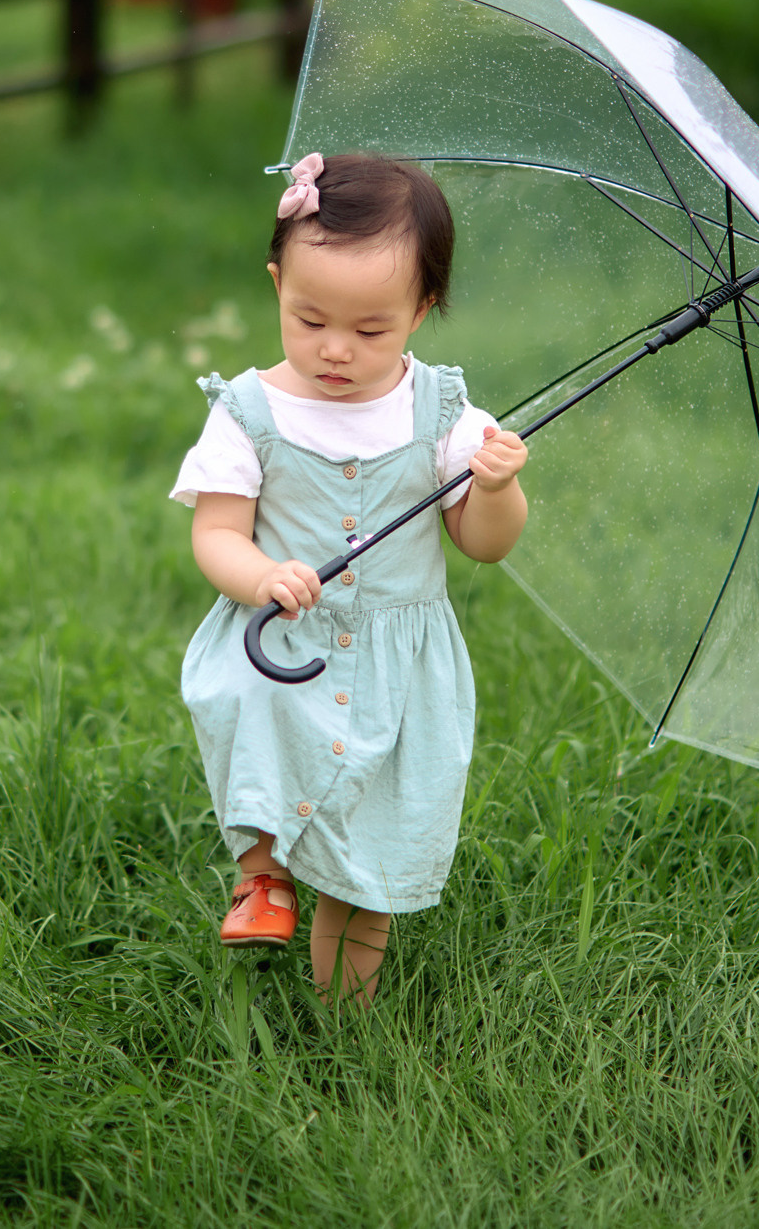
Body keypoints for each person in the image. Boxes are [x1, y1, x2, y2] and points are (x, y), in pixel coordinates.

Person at [171, 152, 530, 1007]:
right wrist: (260, 575)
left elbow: (485, 545)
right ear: (276, 284)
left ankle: (348, 1024)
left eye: (371, 330)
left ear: (422, 309)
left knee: (371, 855)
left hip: (397, 669)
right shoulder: (250, 411)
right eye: (309, 318)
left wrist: (495, 487)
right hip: (283, 644)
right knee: (256, 734)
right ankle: (263, 878)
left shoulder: (441, 414)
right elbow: (215, 532)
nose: (336, 349)